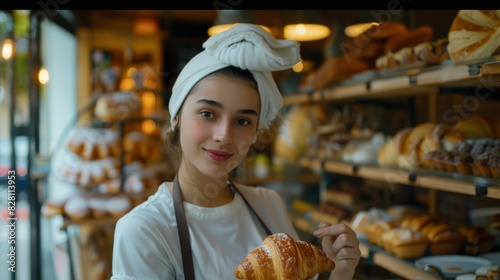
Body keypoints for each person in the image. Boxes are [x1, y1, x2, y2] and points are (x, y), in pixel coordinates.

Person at [111, 23, 360, 280]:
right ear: (176, 118)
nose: (224, 136)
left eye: (242, 121)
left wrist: (340, 269)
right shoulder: (144, 230)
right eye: (208, 114)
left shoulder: (268, 204)